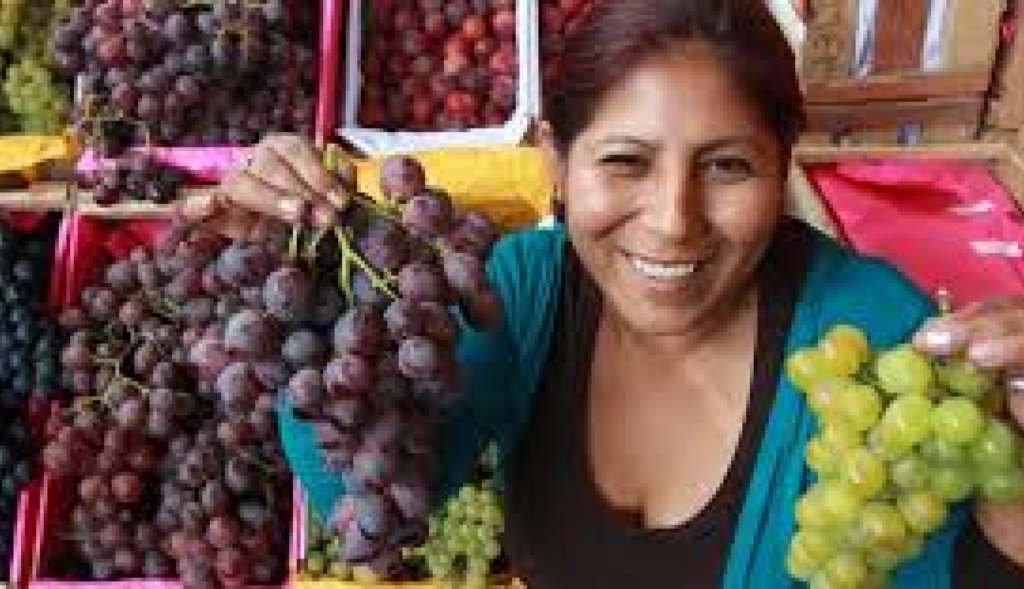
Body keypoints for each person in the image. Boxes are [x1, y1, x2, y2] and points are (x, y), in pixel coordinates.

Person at [182, 1, 1024, 586]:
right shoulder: (522, 291)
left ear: (784, 162)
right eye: (625, 162)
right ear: (555, 161)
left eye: (728, 165)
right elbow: (366, 507)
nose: (672, 222)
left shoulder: (880, 340)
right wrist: (317, 304)